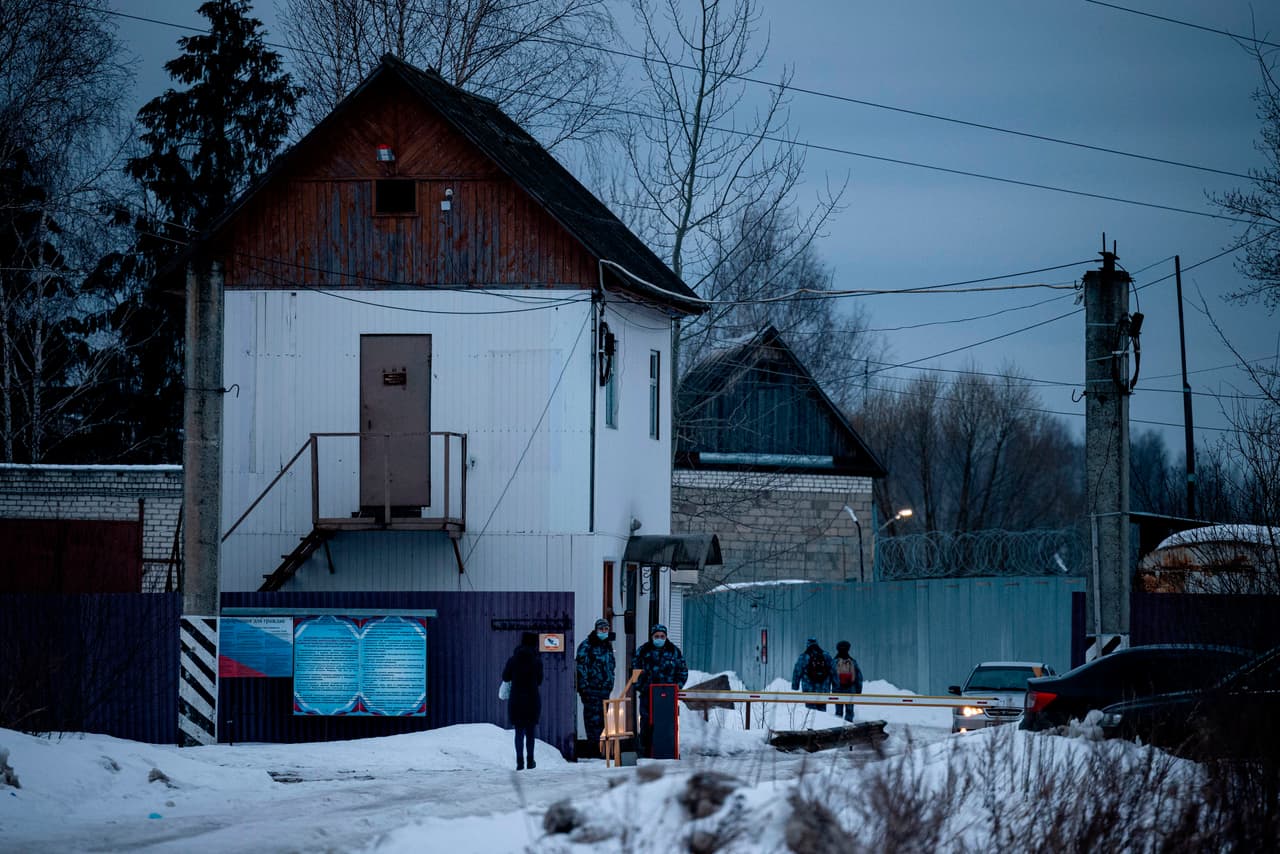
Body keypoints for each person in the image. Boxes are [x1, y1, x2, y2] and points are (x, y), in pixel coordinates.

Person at [631, 623, 688, 757]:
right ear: (652, 637)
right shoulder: (643, 651)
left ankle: (667, 751)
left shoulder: (674, 651)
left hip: (667, 696)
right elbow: (635, 671)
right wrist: (641, 686)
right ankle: (645, 752)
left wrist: (677, 687)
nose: (659, 639)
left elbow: (682, 671)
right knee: (646, 722)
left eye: (662, 636)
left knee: (667, 723)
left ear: (666, 637)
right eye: (656, 636)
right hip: (647, 694)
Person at [575, 617, 616, 758]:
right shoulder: (587, 646)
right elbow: (581, 667)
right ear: (596, 630)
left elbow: (611, 667)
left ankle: (601, 750)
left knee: (603, 720)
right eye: (601, 629)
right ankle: (593, 751)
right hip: (591, 690)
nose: (604, 632)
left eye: (606, 629)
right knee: (592, 722)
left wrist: (610, 683)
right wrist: (584, 688)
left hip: (604, 690)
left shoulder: (607, 646)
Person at [501, 631, 543, 770]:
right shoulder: (537, 660)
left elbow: (506, 677)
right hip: (532, 699)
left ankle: (520, 762)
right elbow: (540, 680)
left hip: (516, 700)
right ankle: (530, 761)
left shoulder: (513, 659)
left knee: (519, 732)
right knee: (530, 732)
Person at [791, 637, 834, 711]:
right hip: (823, 689)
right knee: (822, 711)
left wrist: (795, 686)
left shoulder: (803, 657)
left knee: (810, 712)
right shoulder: (826, 655)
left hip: (809, 690)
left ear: (807, 645)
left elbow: (797, 671)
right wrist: (835, 685)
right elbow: (833, 671)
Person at [831, 640, 864, 722]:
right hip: (850, 689)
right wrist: (858, 691)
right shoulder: (852, 662)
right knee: (849, 710)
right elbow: (859, 677)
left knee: (838, 711)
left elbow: (829, 676)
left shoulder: (834, 662)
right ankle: (849, 727)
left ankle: (837, 727)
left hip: (837, 689)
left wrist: (830, 689)